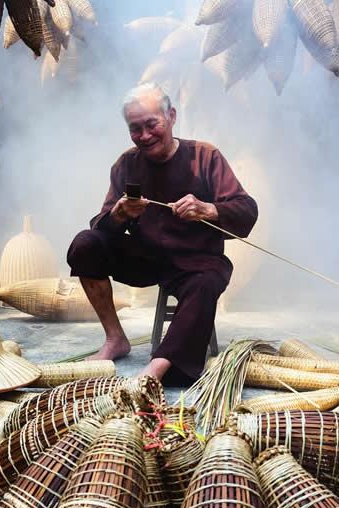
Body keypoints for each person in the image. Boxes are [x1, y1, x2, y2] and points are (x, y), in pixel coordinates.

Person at [67, 84, 258, 386]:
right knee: (85, 244)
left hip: (197, 263)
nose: (144, 136)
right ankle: (115, 338)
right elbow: (100, 226)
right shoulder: (127, 164)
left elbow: (246, 210)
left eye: (151, 124)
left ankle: (155, 371)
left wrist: (207, 209)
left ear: (171, 116)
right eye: (135, 129)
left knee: (207, 281)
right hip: (147, 258)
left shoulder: (204, 157)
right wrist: (119, 215)